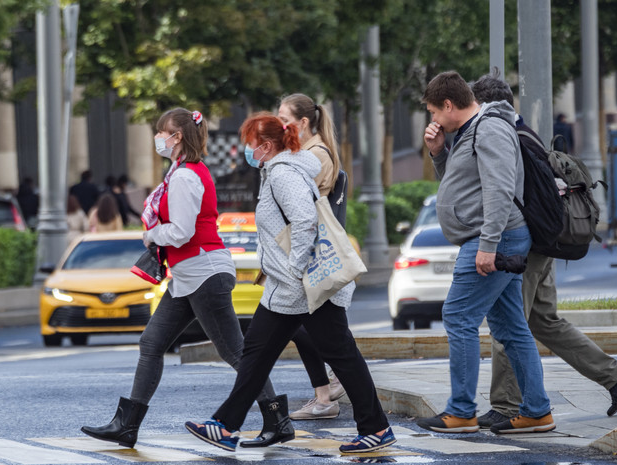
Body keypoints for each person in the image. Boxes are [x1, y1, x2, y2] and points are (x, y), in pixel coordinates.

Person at [185, 113, 396, 455]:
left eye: (250, 145)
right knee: (256, 352)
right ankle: (224, 425)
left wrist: (296, 268)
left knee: (340, 353)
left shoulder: (283, 173)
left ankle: (376, 428)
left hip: (303, 287)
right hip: (287, 289)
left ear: (267, 146)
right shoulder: (279, 171)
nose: (246, 151)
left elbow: (305, 222)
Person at [80, 108, 281, 449]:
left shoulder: (186, 176)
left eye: (163, 132)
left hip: (203, 272)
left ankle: (278, 419)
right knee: (152, 343)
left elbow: (182, 231)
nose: (158, 137)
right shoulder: (183, 171)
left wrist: (152, 235)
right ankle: (127, 426)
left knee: (235, 352)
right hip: (190, 275)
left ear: (178, 137)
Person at [470, 71, 617, 428]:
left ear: (483, 105)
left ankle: (505, 405)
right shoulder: (525, 133)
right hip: (543, 244)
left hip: (525, 248)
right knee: (544, 321)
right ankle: (615, 375)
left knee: (507, 324)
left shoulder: (507, 138)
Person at [416, 71, 554, 435]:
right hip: (492, 238)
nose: (432, 119)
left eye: (433, 111)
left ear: (449, 105)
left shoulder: (489, 127)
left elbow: (498, 188)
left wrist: (488, 245)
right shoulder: (469, 130)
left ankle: (461, 411)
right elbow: (458, 184)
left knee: (458, 316)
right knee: (511, 327)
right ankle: (537, 411)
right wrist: (438, 152)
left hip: (493, 239)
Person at [277, 93, 345, 420]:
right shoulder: (303, 153)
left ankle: (333, 388)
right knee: (307, 328)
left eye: (283, 118)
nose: (278, 124)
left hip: (311, 253)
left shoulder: (314, 155)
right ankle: (325, 394)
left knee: (313, 329)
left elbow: (301, 209)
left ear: (303, 122)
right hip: (306, 253)